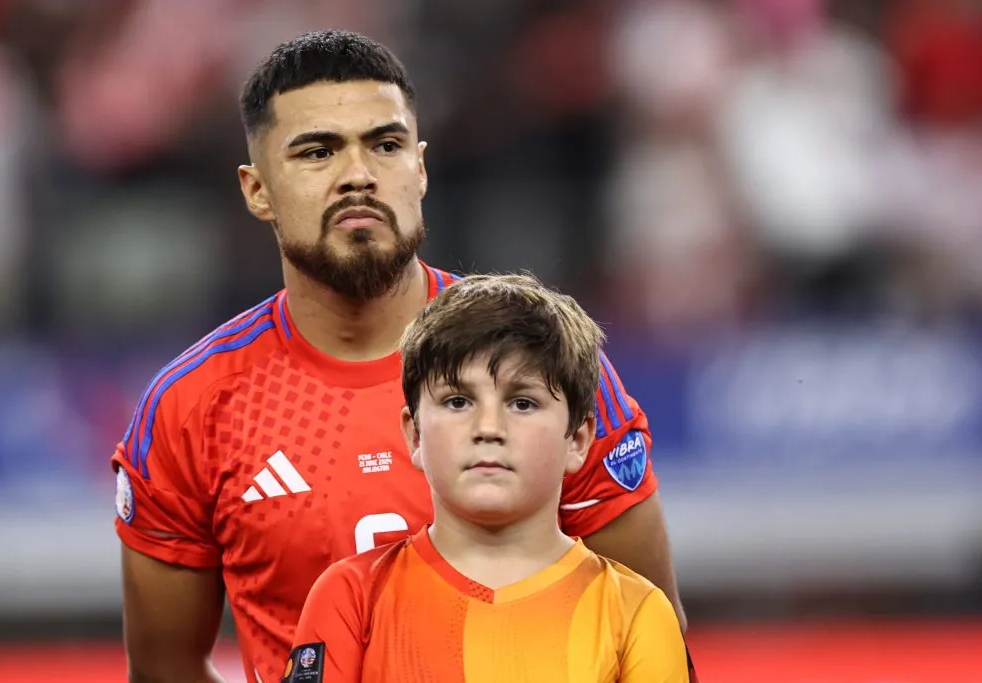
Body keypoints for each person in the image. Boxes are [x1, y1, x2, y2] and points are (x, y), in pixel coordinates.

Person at [112, 30, 683, 683]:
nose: (358, 174)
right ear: (256, 189)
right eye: (317, 151)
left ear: (420, 167)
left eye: (384, 145)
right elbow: (165, 667)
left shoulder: (540, 356)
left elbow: (649, 629)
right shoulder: (192, 405)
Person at [286, 273, 689, 683]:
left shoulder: (636, 613)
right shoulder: (350, 598)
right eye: (458, 401)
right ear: (414, 434)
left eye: (523, 402)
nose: (489, 427)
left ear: (579, 440)